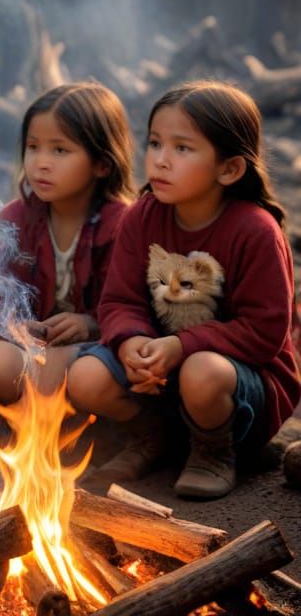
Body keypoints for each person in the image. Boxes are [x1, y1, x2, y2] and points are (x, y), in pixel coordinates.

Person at [67, 81, 301, 499]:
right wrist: (130, 342)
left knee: (201, 370)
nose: (160, 160)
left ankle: (214, 449)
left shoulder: (255, 231)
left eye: (182, 148)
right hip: (160, 375)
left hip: (239, 384)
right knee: (84, 375)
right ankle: (153, 435)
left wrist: (180, 346)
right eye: (155, 143)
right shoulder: (142, 217)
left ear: (229, 169)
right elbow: (119, 300)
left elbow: (264, 331)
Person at [0, 83, 135, 418]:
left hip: (97, 351)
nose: (40, 163)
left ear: (102, 163)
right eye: (33, 147)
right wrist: (11, 327)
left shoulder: (123, 225)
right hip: (33, 346)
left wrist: (91, 324)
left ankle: (112, 428)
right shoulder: (14, 219)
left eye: (59, 151)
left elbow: (134, 305)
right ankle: (39, 422)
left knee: (60, 369)